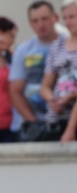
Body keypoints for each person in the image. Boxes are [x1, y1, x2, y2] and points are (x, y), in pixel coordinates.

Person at [10, 1, 63, 138]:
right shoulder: (23, 50)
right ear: (30, 23)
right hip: (35, 123)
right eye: (35, 20)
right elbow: (15, 91)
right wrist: (33, 122)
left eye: (45, 19)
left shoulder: (70, 44)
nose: (40, 24)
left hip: (66, 121)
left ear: (55, 18)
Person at [41, 0, 77, 140]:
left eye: (72, 17)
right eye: (65, 18)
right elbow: (45, 86)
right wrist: (53, 99)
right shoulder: (57, 46)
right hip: (56, 120)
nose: (68, 22)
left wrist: (70, 97)